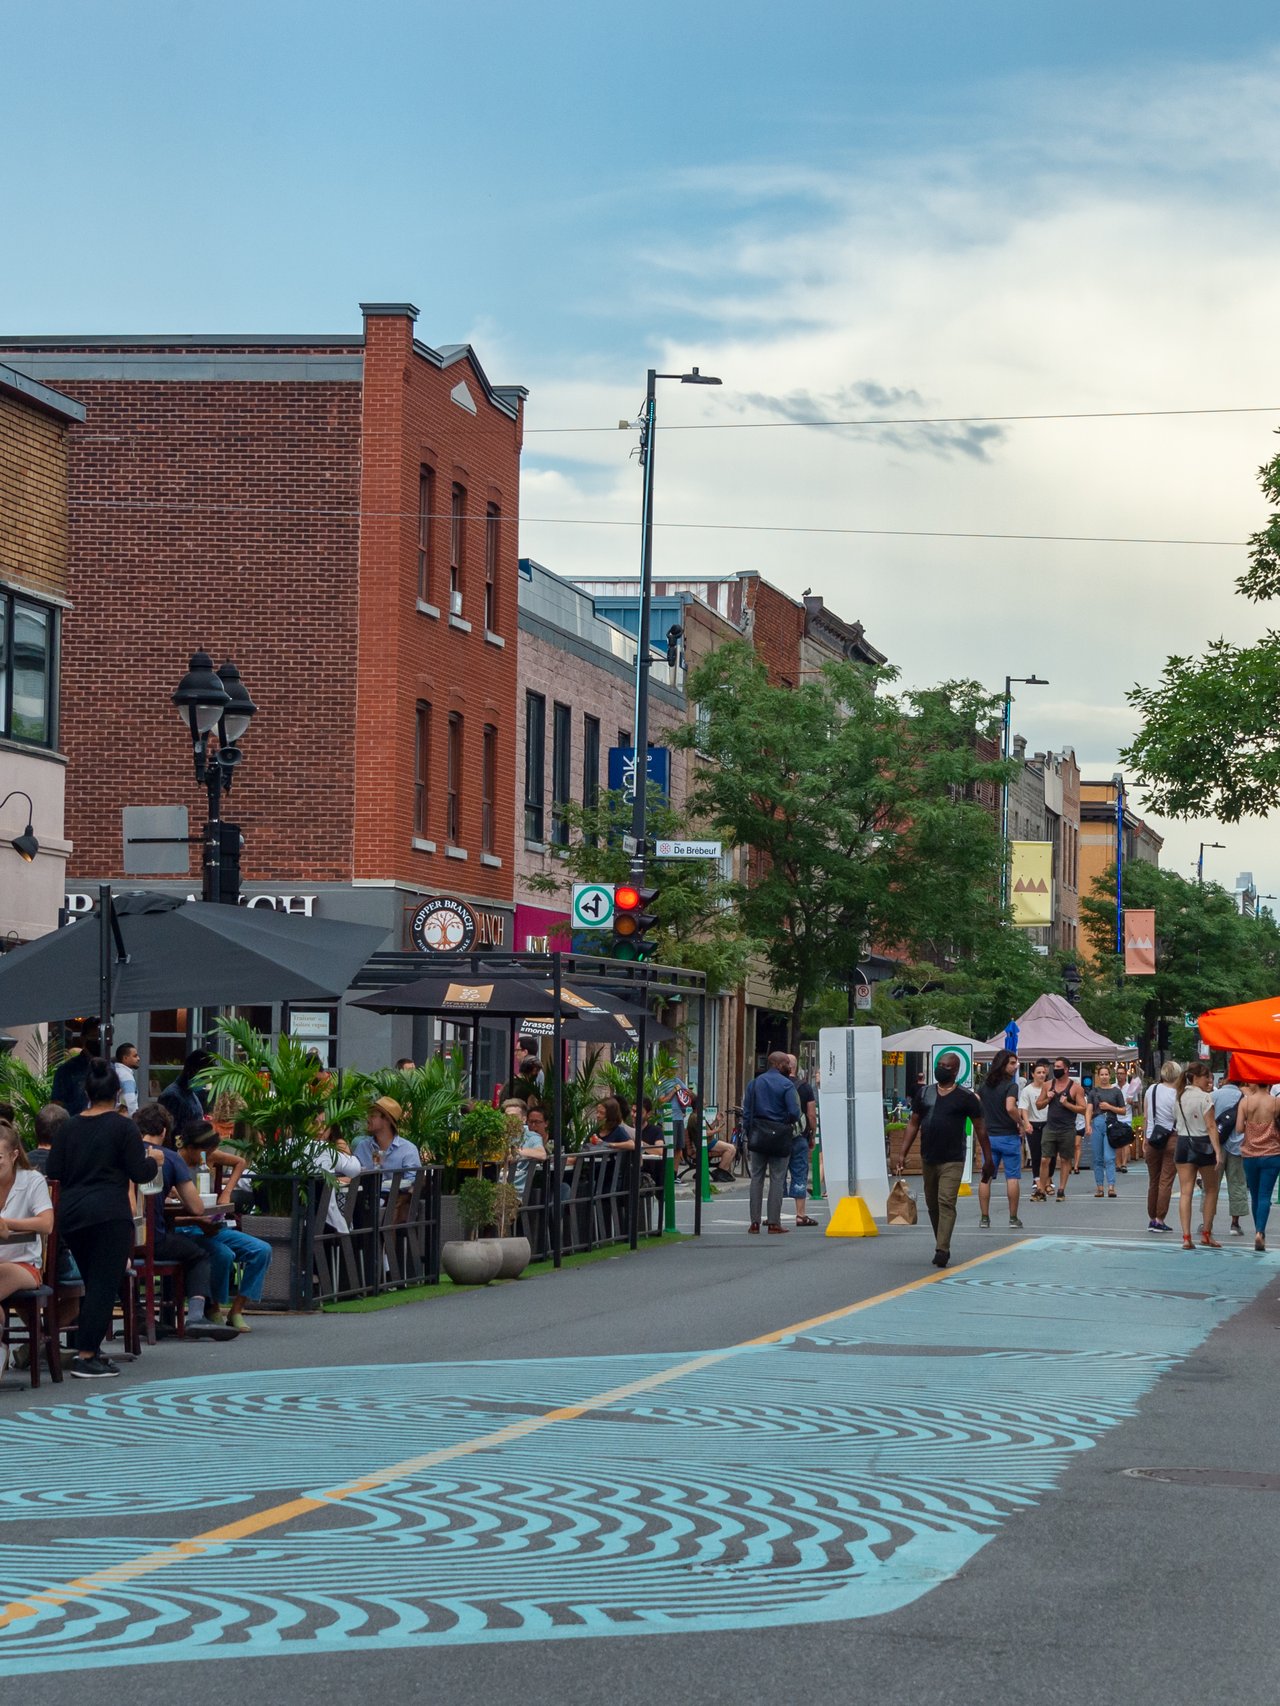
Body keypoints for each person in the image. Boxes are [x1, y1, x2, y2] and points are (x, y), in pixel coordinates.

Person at [45, 1055, 158, 1378]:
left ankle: (91, 1348)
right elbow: (139, 1172)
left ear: (87, 1092)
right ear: (118, 1093)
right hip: (110, 1213)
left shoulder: (68, 1127)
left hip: (73, 1213)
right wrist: (155, 1161)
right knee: (104, 1285)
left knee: (92, 1281)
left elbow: (54, 1171)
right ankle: (85, 1355)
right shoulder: (124, 1127)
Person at [134, 1103, 236, 1338]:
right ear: (163, 1131)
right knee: (199, 1255)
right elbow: (197, 1207)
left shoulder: (122, 1154)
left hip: (121, 1239)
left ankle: (138, 1314)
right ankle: (196, 1315)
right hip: (154, 1239)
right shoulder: (169, 1158)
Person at [173, 1121, 272, 1332]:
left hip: (212, 1224)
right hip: (187, 1228)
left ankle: (236, 1310)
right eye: (205, 1151)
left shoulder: (208, 1157)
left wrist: (226, 1192)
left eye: (211, 1152)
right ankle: (214, 1307)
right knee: (223, 1255)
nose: (208, 1157)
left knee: (262, 1250)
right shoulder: (174, 1163)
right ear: (190, 1148)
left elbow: (240, 1162)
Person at [898, 1052, 991, 1269]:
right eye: (939, 1065)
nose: (941, 1068)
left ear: (956, 1070)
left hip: (953, 1159)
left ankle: (942, 1249)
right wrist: (902, 1152)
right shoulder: (925, 1093)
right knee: (932, 1205)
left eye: (946, 1066)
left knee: (946, 1201)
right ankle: (941, 1239)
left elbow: (980, 1128)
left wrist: (988, 1158)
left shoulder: (966, 1097)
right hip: (928, 1157)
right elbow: (913, 1123)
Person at [0, 1122, 55, 1375]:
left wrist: (7, 1223)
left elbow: (46, 1223)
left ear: (13, 1155)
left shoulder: (32, 1180)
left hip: (24, 1265)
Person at [741, 1052, 802, 1235]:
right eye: (785, 1063)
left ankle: (754, 1223)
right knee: (777, 1178)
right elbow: (795, 1112)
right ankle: (774, 1223)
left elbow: (747, 1111)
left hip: (758, 1133)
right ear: (777, 1064)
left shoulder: (755, 1083)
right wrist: (785, 1121)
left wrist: (749, 1130)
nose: (788, 1066)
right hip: (779, 1135)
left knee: (757, 1177)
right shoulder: (786, 1085)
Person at [1173, 1060, 1222, 1249]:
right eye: (1205, 1077)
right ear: (1195, 1078)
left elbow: (1175, 1119)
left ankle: (1186, 1237)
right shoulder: (1205, 1098)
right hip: (1203, 1144)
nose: (1208, 1080)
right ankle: (1206, 1233)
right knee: (1211, 1189)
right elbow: (1211, 1126)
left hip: (1183, 1142)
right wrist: (1218, 1151)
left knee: (1186, 1191)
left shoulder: (1179, 1096)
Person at [977, 1049, 1023, 1229]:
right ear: (1003, 1065)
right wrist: (1020, 1122)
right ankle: (1013, 1218)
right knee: (1012, 1178)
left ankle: (984, 1218)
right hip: (1008, 1136)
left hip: (989, 1137)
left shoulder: (984, 1085)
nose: (1015, 1066)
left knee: (986, 1176)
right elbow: (1010, 1107)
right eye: (1012, 1063)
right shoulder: (1011, 1086)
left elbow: (976, 1102)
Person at [1235, 1082, 1280, 1251]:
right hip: (1272, 1154)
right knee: (1265, 1195)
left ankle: (1257, 1230)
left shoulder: (1245, 1102)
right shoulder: (1276, 1102)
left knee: (1254, 1195)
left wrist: (1251, 1126)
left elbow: (1239, 1129)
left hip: (1250, 1154)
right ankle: (1260, 1231)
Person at [1037, 1058, 1086, 1202]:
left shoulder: (1076, 1088)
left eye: (1058, 1067)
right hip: (1050, 1127)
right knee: (1045, 1158)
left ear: (1066, 1069)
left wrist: (1067, 1104)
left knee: (1065, 1159)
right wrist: (1048, 1099)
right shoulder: (1047, 1085)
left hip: (1067, 1129)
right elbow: (1038, 1105)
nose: (1055, 1069)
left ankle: (1061, 1189)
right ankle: (1041, 1189)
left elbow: (1083, 1109)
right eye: (1054, 1066)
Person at [1142, 1061, 1179, 1232]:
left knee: (1153, 1180)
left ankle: (1151, 1218)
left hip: (1152, 1137)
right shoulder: (1177, 1094)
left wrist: (1144, 1139)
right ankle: (1160, 1219)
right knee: (1166, 1181)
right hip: (1172, 1138)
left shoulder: (1152, 1090)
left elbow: (1146, 1115)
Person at [784, 1053, 821, 1227]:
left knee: (778, 1175)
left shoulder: (775, 1084)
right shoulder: (805, 1087)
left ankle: (773, 1215)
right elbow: (811, 1115)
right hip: (799, 1136)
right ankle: (800, 1214)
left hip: (777, 1137)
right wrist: (812, 1134)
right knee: (799, 1173)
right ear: (795, 1067)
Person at [1211, 1075, 1246, 1236]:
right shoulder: (1244, 1097)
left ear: (1225, 1080)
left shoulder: (1214, 1095)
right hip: (1237, 1146)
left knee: (1211, 1185)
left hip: (1216, 1144)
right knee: (1237, 1183)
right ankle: (1235, 1224)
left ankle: (1207, 1221)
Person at [353, 1097, 421, 1180]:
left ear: (387, 1120)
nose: (368, 1119)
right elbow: (352, 1175)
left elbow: (413, 1183)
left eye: (372, 1116)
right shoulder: (363, 1147)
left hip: (396, 1193)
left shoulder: (408, 1150)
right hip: (366, 1193)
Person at [1087, 1067, 1126, 1199]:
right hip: (1097, 1123)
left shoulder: (1116, 1092)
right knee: (1097, 1158)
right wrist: (1087, 1124)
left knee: (1109, 1157)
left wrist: (1110, 1107)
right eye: (1101, 1074)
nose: (1104, 1077)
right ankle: (1099, 1187)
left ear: (1110, 1075)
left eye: (1106, 1074)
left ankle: (1111, 1186)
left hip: (1111, 1124)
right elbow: (1089, 1109)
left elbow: (1123, 1110)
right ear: (1098, 1076)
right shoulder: (1093, 1092)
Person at [50, 1021, 100, 1115]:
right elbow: (57, 1107)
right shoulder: (67, 1070)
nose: (97, 1041)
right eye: (93, 1036)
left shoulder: (111, 1068)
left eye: (100, 1037)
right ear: (83, 1038)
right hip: (77, 1125)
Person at [159, 1050, 212, 1131]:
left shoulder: (190, 1093)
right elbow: (171, 1131)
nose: (205, 1082)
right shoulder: (171, 1096)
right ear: (193, 1070)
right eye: (204, 1077)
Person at [1020, 1061, 1051, 1198]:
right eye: (1038, 1072)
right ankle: (1037, 1181)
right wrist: (1026, 1123)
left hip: (1048, 1124)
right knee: (1036, 1154)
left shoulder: (1050, 1088)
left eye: (1044, 1072)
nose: (1041, 1075)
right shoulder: (1027, 1090)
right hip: (1033, 1123)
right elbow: (1023, 1108)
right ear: (1032, 1074)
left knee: (1049, 1154)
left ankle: (1048, 1181)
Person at [113, 1043, 140, 1117]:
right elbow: (130, 1101)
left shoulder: (116, 1070)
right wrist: (134, 1119)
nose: (138, 1058)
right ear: (125, 1058)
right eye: (135, 1056)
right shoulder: (126, 1076)